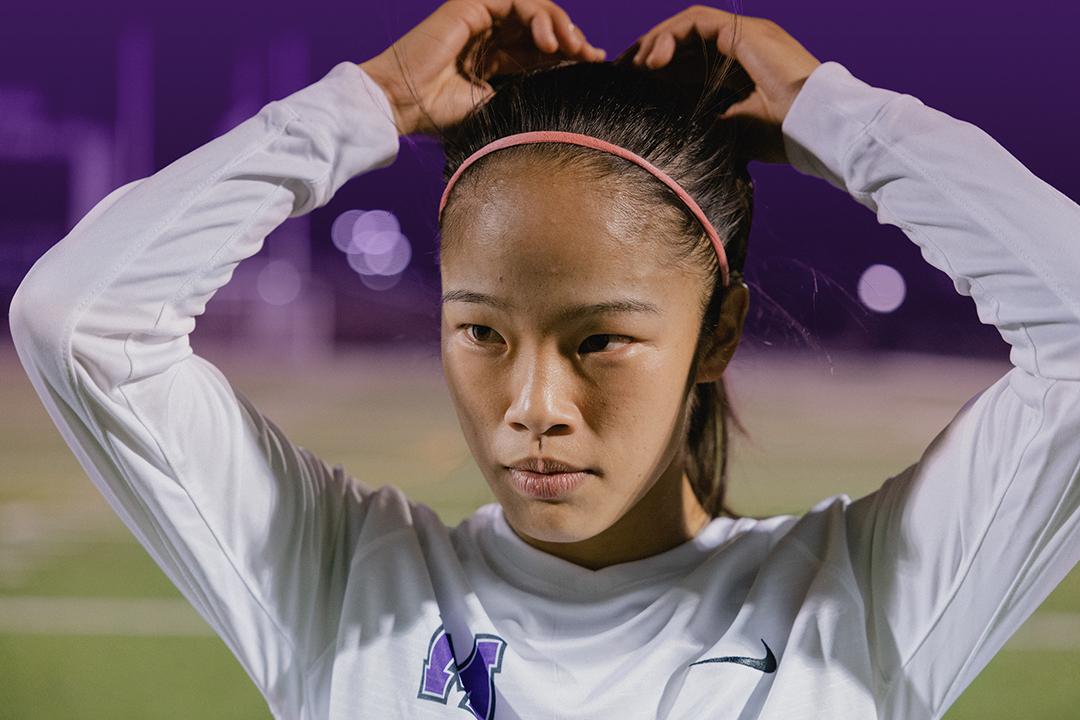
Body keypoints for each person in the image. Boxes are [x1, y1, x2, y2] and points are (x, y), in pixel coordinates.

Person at [9, 1, 1079, 718]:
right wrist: (372, 99)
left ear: (718, 333)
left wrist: (834, 113)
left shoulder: (859, 604)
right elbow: (80, 319)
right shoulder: (344, 587)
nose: (530, 405)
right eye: (480, 332)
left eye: (599, 340)